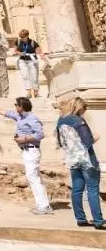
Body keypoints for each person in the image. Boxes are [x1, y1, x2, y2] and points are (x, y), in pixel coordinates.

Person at [0, 97, 52, 214]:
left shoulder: (32, 119)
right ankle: (43, 204)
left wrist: (25, 138)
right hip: (26, 151)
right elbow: (6, 113)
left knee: (33, 177)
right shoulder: (20, 116)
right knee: (35, 178)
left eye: (16, 105)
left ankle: (43, 206)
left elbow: (40, 134)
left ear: (22, 106)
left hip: (32, 150)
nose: (15, 107)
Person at [57, 96, 103, 229]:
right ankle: (98, 221)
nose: (85, 110)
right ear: (78, 107)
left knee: (77, 190)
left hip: (72, 159)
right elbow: (88, 141)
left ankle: (80, 219)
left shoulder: (61, 121)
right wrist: (95, 138)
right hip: (86, 159)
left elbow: (61, 142)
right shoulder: (78, 121)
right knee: (92, 190)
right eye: (84, 107)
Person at [15, 30, 47, 98]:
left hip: (32, 61)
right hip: (22, 61)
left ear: (27, 36)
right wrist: (20, 53)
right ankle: (29, 93)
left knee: (34, 77)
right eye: (21, 37)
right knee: (25, 76)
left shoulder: (33, 43)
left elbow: (39, 51)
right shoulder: (18, 42)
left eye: (23, 37)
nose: (22, 38)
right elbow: (15, 51)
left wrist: (44, 59)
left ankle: (36, 92)